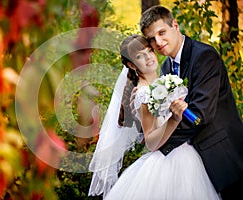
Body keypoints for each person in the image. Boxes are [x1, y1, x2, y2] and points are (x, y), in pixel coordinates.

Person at [131, 5, 243, 199]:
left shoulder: (204, 57)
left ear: (175, 25)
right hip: (191, 160)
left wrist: (162, 144)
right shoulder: (166, 66)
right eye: (151, 38)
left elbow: (200, 115)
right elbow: (167, 113)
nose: (158, 41)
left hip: (221, 156)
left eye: (162, 32)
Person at [89, 34, 220, 199]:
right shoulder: (143, 93)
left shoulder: (161, 81)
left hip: (185, 153)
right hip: (168, 161)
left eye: (149, 51)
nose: (148, 57)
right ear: (131, 64)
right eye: (139, 56)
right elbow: (150, 141)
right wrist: (174, 119)